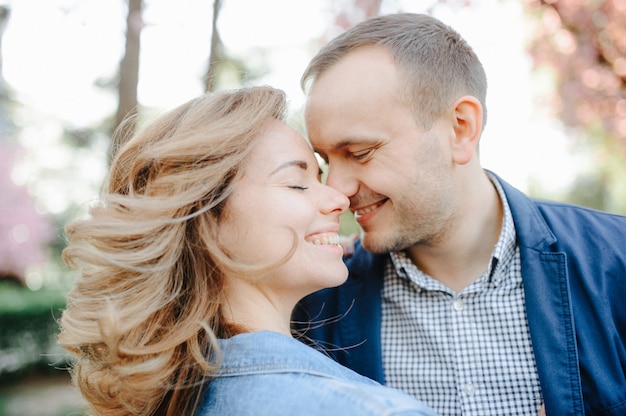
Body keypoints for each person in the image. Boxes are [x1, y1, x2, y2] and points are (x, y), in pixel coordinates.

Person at [292, 13, 626, 416]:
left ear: (461, 128)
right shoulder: (316, 307)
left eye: (359, 153)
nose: (336, 191)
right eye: (326, 162)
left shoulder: (614, 262)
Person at [57, 86, 438, 416]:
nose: (340, 198)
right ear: (205, 223)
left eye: (317, 179)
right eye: (296, 183)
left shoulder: (162, 398)